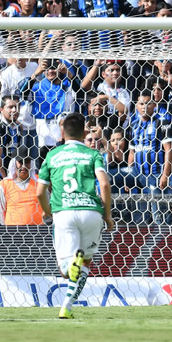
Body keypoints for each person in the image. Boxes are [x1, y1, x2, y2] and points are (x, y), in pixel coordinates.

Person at [36, 112, 115, 319]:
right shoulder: (93, 154)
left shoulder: (52, 155)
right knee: (85, 263)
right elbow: (104, 184)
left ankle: (69, 265)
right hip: (91, 212)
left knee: (66, 270)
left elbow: (39, 191)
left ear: (62, 132)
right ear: (84, 132)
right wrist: (107, 215)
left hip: (64, 212)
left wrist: (47, 211)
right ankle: (67, 307)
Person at [0, 154, 43, 225]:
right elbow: (0, 212)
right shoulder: (4, 185)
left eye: (27, 162)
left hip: (37, 229)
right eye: (20, 162)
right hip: (13, 229)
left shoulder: (40, 182)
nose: (24, 166)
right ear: (14, 164)